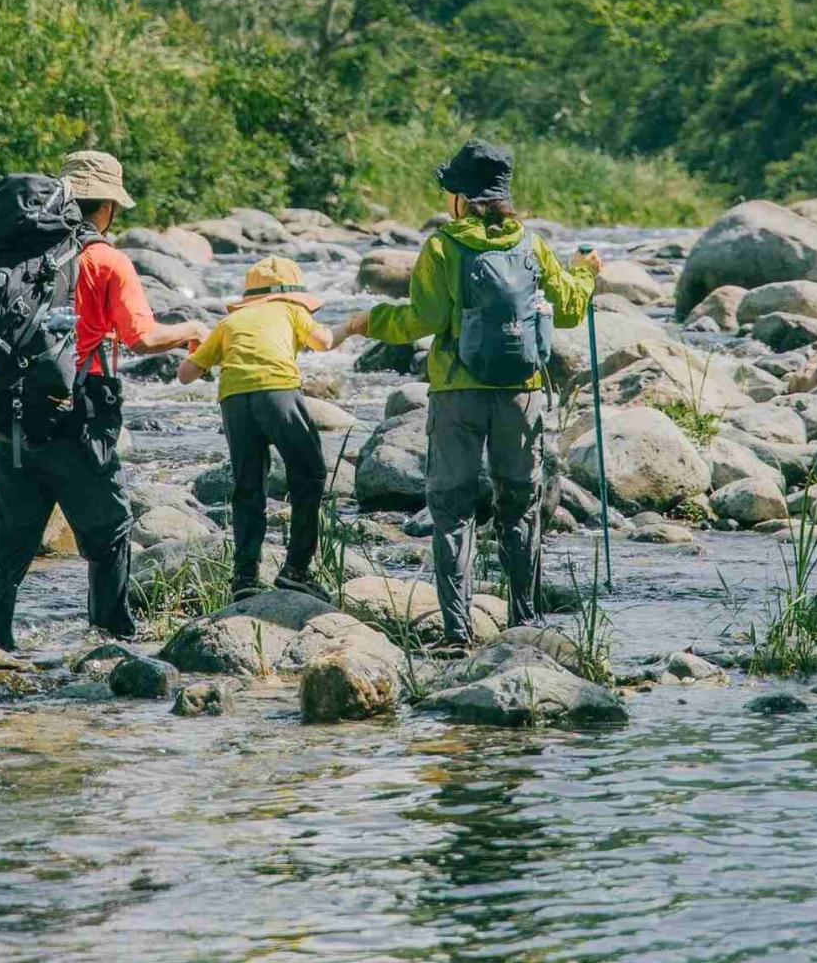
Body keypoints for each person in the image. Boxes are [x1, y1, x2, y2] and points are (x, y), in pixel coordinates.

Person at [339, 139, 603, 654]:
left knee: (452, 510)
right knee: (520, 509)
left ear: (460, 197)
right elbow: (569, 309)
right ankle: (526, 624)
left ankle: (457, 634)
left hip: (457, 394)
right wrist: (587, 274)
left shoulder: (443, 246)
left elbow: (424, 320)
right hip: (520, 394)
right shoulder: (531, 243)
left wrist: (367, 321)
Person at [0, 150, 209, 650]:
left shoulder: (12, 254)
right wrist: (192, 330)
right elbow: (141, 338)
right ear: (106, 207)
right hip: (78, 418)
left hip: (11, 419)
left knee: (10, 540)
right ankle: (110, 642)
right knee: (109, 532)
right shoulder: (107, 259)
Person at [177, 256, 335, 602]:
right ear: (294, 295)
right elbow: (324, 341)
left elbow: (185, 374)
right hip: (278, 392)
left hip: (234, 400)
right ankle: (296, 571)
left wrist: (201, 355)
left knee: (248, 486)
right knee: (309, 476)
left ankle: (245, 577)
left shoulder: (230, 322)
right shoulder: (291, 310)